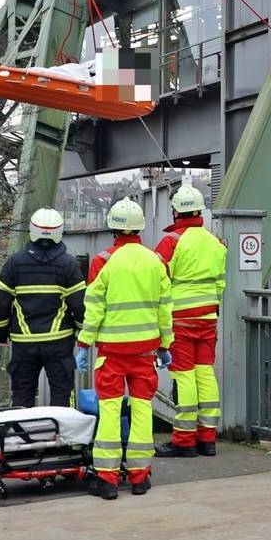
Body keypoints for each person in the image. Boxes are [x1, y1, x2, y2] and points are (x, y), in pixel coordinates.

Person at [77, 198, 171, 498]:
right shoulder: (155, 261)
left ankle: (107, 480)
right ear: (139, 228)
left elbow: (94, 309)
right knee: (143, 412)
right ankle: (140, 477)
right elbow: (164, 309)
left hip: (112, 353)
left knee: (110, 412)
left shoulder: (103, 261)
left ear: (113, 229)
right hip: (145, 353)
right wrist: (165, 346)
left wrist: (83, 343)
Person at [153, 184, 227, 459]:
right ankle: (207, 438)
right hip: (208, 316)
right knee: (205, 373)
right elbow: (220, 283)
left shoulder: (171, 242)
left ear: (176, 212)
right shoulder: (215, 242)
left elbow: (157, 282)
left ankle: (184, 440)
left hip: (180, 319)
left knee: (183, 376)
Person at [0, 208, 87, 407]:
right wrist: (81, 331)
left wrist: (1, 334)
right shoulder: (69, 264)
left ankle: (22, 436)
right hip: (59, 341)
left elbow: (1, 303)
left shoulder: (14, 263)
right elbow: (79, 305)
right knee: (62, 394)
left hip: (23, 342)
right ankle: (61, 435)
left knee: (22, 396)